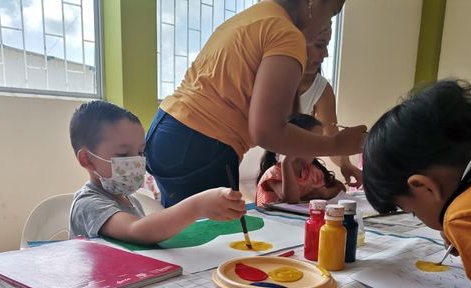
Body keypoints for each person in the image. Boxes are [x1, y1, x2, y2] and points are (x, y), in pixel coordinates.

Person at [146, 0, 366, 207]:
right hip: (200, 143)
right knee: (213, 233)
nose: (326, 24)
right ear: (313, 2)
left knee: (182, 231)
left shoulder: (254, 17)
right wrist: (337, 144)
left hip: (167, 129)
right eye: (331, 13)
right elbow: (267, 132)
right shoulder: (287, 34)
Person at [363, 79, 471, 288]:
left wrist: (467, 229)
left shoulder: (464, 217)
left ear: (423, 187)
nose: (417, 216)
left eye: (413, 212)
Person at [68, 101, 246, 245]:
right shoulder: (88, 204)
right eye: (123, 154)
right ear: (87, 159)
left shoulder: (129, 199)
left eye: (140, 152)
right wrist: (197, 206)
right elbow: (136, 230)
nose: (137, 162)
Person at [297, 22, 362, 187]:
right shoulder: (271, 80)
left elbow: (331, 136)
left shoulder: (322, 89)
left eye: (326, 46)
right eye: (320, 45)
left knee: (337, 189)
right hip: (273, 170)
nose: (325, 54)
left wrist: (346, 164)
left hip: (299, 172)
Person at [256, 114, 345, 206]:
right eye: (315, 142)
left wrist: (325, 193)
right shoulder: (274, 174)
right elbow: (291, 199)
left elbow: (341, 187)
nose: (319, 147)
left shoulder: (312, 172)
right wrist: (286, 163)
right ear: (294, 142)